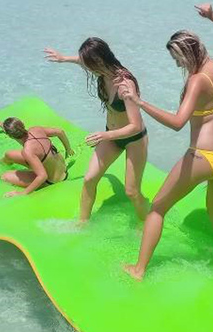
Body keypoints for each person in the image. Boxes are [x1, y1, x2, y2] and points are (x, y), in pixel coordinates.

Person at [120, 4, 213, 281]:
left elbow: (178, 122)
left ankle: (138, 270)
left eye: (178, 60)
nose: (178, 65)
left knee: (158, 209)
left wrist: (138, 102)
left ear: (186, 54)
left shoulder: (198, 81)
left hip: (204, 156)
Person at [44, 38, 149, 222]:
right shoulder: (103, 72)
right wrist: (63, 58)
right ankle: (82, 224)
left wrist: (104, 135)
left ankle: (144, 224)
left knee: (131, 191)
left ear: (100, 61)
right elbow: (81, 60)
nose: (87, 68)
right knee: (89, 179)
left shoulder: (125, 84)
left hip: (134, 139)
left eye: (90, 64)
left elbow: (135, 126)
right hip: (111, 134)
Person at [0, 117, 74, 197]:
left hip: (53, 181)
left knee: (4, 176)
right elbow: (60, 132)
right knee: (9, 154)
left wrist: (21, 193)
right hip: (63, 169)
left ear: (9, 136)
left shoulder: (28, 151)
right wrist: (68, 149)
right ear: (22, 124)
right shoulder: (36, 129)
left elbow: (42, 176)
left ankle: (3, 164)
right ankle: (0, 161)